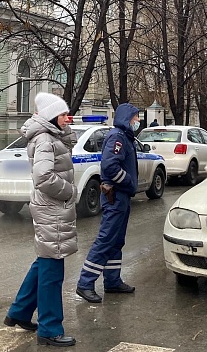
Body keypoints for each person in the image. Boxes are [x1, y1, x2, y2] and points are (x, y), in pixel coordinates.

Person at [4, 92, 77, 347]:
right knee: (52, 270)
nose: (68, 118)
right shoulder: (45, 139)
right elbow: (44, 177)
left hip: (50, 208)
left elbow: (66, 147)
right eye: (63, 114)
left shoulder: (50, 136)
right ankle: (49, 328)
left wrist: (64, 129)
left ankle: (19, 312)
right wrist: (69, 191)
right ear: (50, 117)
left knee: (44, 262)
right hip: (52, 209)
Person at [76, 103, 140, 303]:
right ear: (126, 118)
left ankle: (112, 281)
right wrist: (128, 182)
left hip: (122, 196)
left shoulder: (124, 137)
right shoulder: (118, 137)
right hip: (116, 196)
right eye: (135, 118)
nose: (137, 121)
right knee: (105, 240)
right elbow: (110, 167)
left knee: (116, 240)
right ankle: (85, 283)